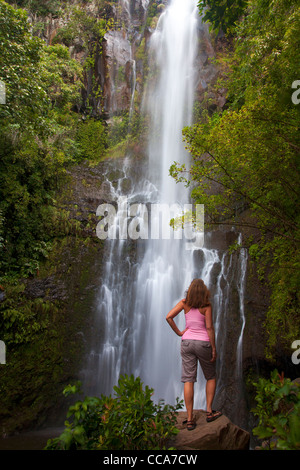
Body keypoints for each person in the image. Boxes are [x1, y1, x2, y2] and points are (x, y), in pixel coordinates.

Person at [166, 278, 222, 430]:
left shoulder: (184, 303)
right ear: (204, 291)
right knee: (210, 376)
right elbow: (209, 328)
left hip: (187, 343)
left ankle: (190, 419)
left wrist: (179, 332)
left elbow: (168, 317)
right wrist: (214, 348)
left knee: (188, 380)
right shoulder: (206, 306)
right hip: (203, 343)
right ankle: (209, 412)